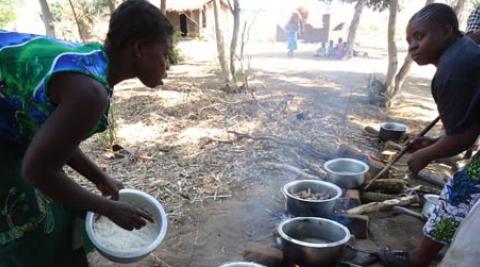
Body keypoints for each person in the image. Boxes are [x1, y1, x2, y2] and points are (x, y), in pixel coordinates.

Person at [0, 0, 172, 266]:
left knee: (55, 212)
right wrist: (106, 207)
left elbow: (56, 137)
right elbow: (36, 170)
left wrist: (99, 177)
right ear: (139, 48)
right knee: (25, 225)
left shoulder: (93, 63)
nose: (168, 64)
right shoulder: (90, 92)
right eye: (165, 53)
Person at [377, 3, 480, 267]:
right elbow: (469, 127)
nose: (412, 46)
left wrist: (426, 154)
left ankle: (420, 260)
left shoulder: (452, 69)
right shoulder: (461, 52)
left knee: (460, 190)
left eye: (420, 37)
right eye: (409, 40)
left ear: (447, 31)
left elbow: (464, 138)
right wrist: (435, 143)